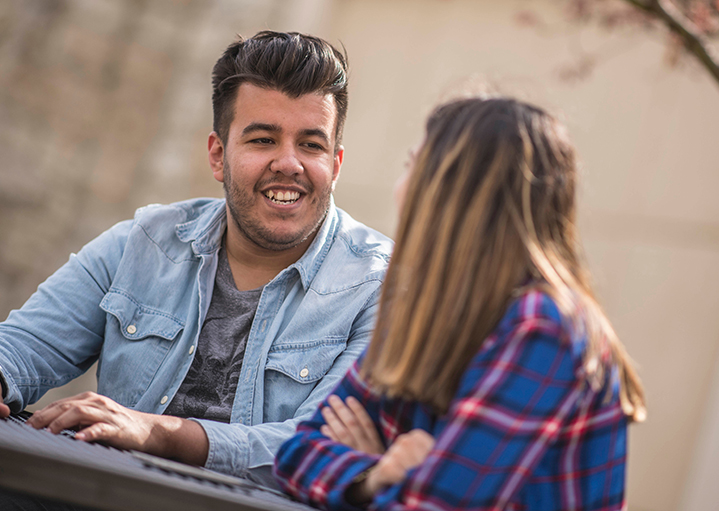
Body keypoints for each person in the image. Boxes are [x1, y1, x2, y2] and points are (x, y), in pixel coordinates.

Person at [0, 31, 392, 487]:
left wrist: (156, 432)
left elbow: (312, 449)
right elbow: (28, 342)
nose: (289, 163)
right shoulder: (144, 243)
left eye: (311, 145)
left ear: (337, 163)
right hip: (103, 495)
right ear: (218, 155)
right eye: (263, 140)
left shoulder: (380, 287)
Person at [273, 96, 647, 510]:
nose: (401, 188)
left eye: (411, 166)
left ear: (449, 192)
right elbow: (296, 454)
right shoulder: (421, 311)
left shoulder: (543, 327)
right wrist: (374, 476)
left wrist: (389, 475)